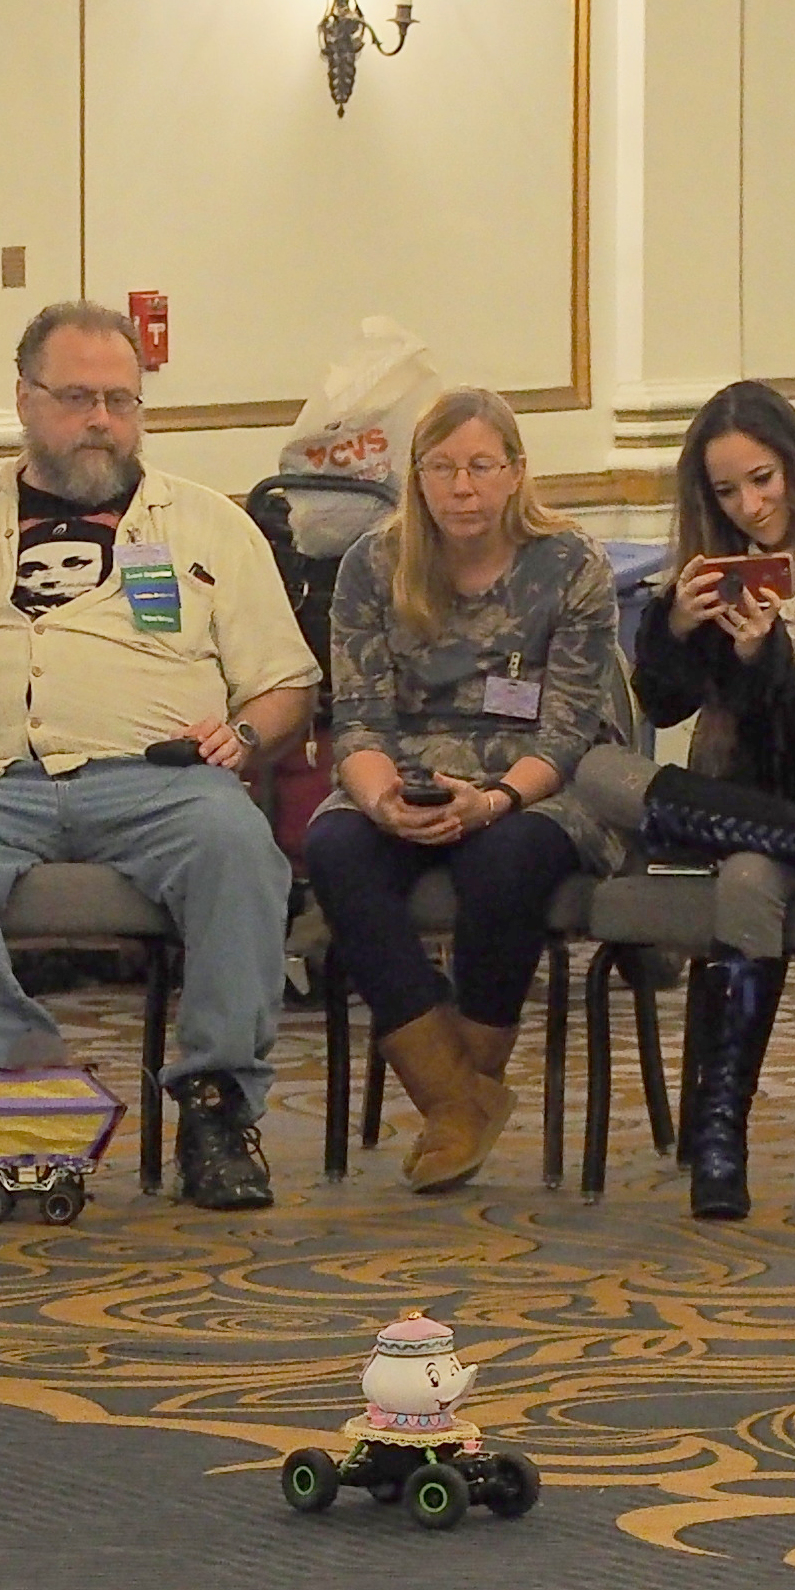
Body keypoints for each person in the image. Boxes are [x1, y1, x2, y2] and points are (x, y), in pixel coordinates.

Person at [0, 302, 321, 1211]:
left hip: (158, 780)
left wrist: (243, 735)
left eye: (122, 400)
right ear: (24, 400)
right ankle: (16, 1086)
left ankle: (216, 1108)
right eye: (78, 398)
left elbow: (286, 686)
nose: (102, 420)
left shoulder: (208, 525)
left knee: (238, 845)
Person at [574, 379, 795, 1220]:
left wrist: (768, 661)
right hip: (756, 814)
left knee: (747, 878)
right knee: (595, 770)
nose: (751, 507)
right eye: (728, 492)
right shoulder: (717, 574)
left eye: (763, 480)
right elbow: (662, 707)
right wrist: (674, 627)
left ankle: (719, 1136)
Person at [303, 388, 624, 1194]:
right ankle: (456, 1099)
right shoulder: (372, 565)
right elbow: (360, 721)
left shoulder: (572, 564)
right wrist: (381, 801)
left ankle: (456, 1101)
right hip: (405, 772)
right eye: (442, 467)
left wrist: (492, 801)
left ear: (516, 472)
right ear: (417, 476)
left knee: (503, 858)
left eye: (481, 466)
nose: (462, 487)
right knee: (336, 847)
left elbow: (567, 733)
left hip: (537, 786)